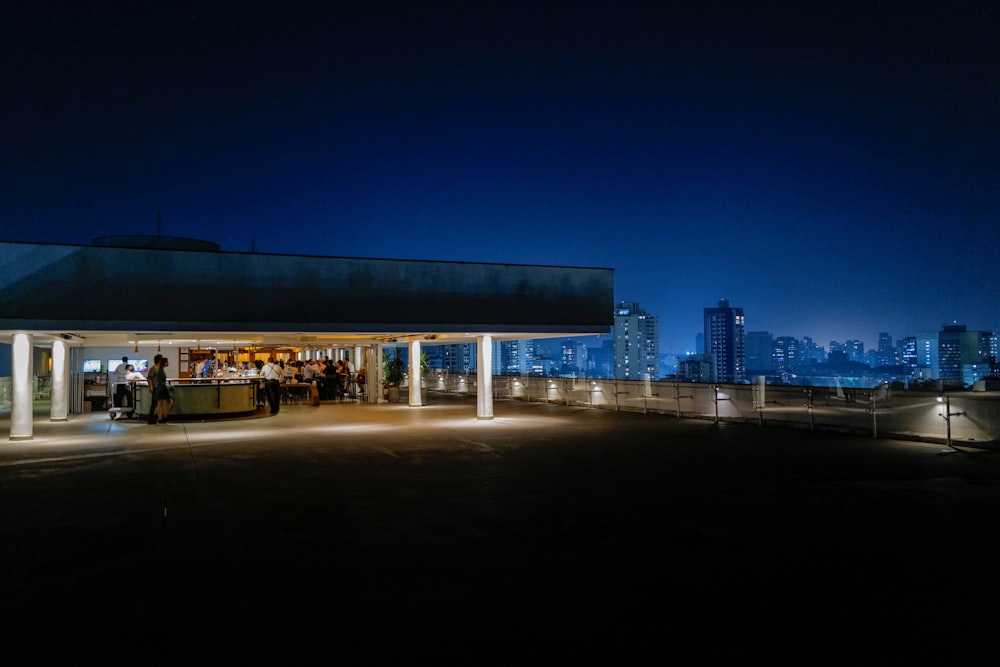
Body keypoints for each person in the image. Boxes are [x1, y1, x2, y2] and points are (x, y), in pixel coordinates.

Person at [146, 353, 163, 424]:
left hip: (159, 387)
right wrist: (150, 386)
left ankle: (155, 418)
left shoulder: (160, 368)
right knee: (154, 403)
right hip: (155, 387)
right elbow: (149, 378)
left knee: (157, 403)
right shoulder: (153, 368)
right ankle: (150, 419)